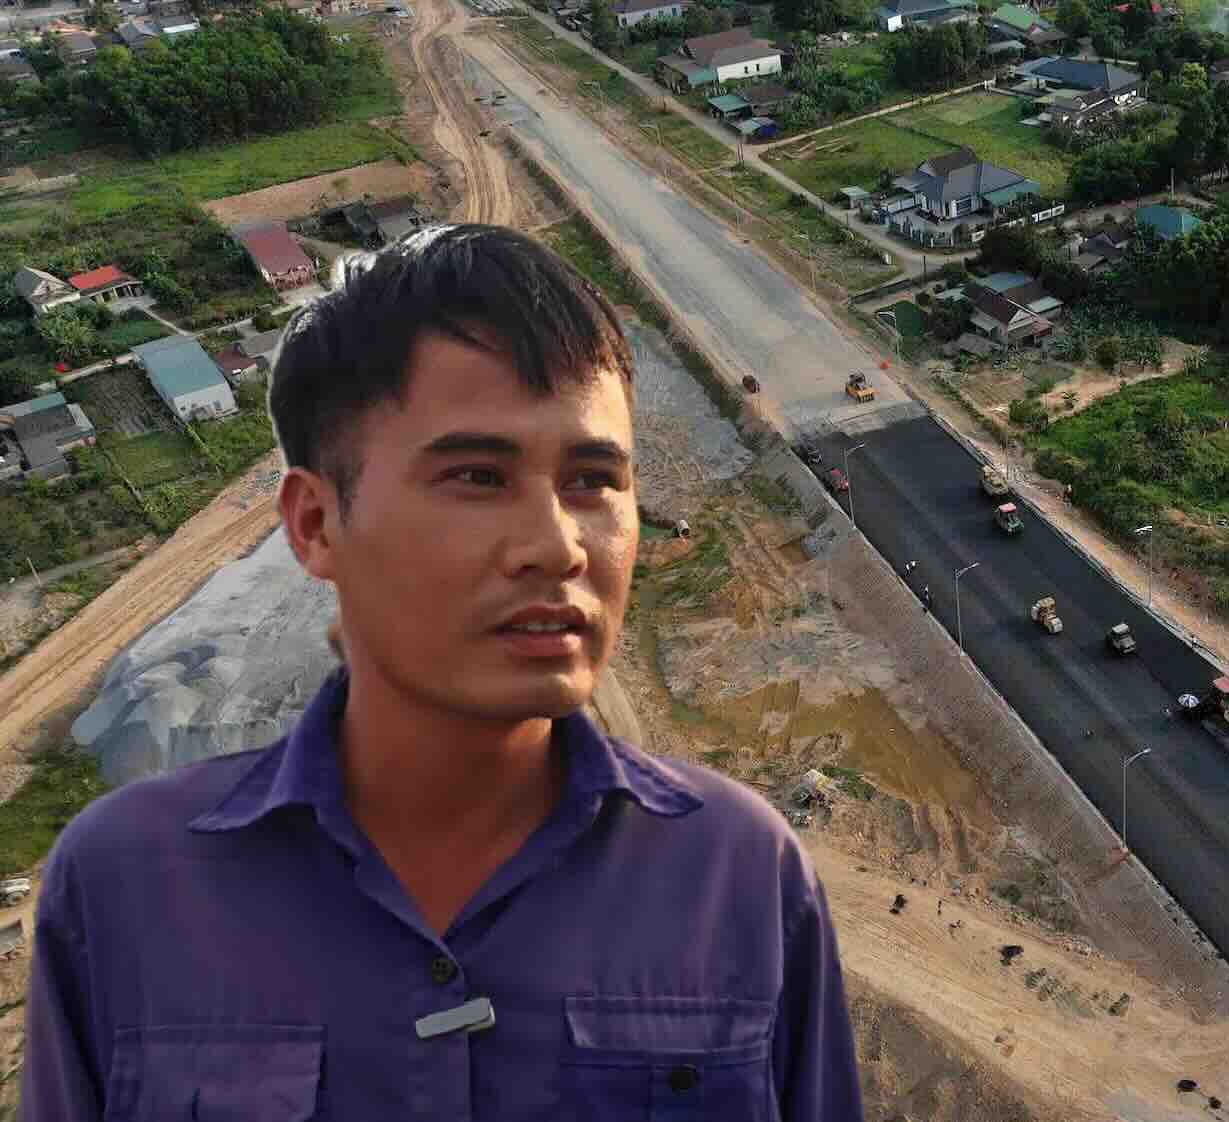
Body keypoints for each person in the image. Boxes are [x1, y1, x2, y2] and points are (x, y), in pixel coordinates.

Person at [22, 226, 864, 1121]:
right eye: (475, 476)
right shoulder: (125, 889)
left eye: (591, 480)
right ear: (313, 526)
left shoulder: (737, 874)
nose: (556, 545)